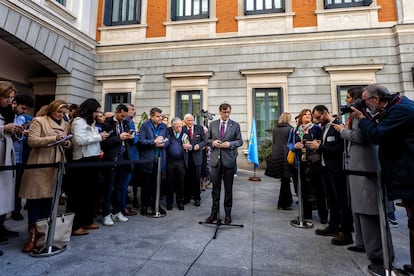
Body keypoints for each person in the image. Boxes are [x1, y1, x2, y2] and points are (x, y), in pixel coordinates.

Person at [352, 84, 414, 275]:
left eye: (365, 101)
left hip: (410, 174)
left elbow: (377, 135)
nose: (366, 106)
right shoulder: (398, 106)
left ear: (375, 99)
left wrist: (362, 119)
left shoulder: (401, 110)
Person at [332, 87, 387, 273]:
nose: (346, 101)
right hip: (354, 169)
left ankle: (379, 254)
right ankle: (362, 242)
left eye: (348, 97)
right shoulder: (354, 116)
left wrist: (341, 131)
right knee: (357, 208)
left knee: (368, 211)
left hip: (366, 170)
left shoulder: (365, 116)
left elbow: (363, 137)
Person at [19, 99, 71, 253]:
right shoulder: (39, 121)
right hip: (40, 163)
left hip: (57, 163)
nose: (61, 115)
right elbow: (32, 141)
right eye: (58, 111)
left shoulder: (65, 124)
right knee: (35, 200)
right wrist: (53, 138)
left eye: (63, 112)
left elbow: (69, 144)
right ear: (51, 110)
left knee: (50, 200)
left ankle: (46, 234)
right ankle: (32, 235)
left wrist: (66, 142)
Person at [307, 105, 353, 246]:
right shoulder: (324, 128)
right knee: (331, 199)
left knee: (341, 200)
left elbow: (339, 148)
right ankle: (333, 225)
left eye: (318, 117)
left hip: (337, 169)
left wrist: (319, 147)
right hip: (326, 168)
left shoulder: (337, 126)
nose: (317, 120)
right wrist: (318, 144)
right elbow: (327, 144)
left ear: (325, 113)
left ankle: (345, 231)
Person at [66, 99, 110, 235]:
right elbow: (80, 140)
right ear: (90, 110)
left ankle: (86, 220)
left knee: (90, 193)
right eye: (96, 111)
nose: (97, 114)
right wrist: (99, 137)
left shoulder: (89, 122)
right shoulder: (78, 121)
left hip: (93, 159)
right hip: (82, 161)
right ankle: (74, 225)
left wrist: (99, 148)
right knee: (79, 195)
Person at [205, 103, 243, 224]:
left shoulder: (235, 125)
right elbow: (206, 140)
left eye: (228, 112)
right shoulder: (213, 124)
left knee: (228, 189)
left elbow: (240, 141)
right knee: (215, 189)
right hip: (215, 161)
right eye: (224, 112)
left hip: (229, 161)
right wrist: (212, 143)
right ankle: (214, 213)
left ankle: (227, 214)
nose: (226, 114)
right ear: (220, 112)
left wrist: (230, 144)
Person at [100, 104, 134, 226]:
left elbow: (129, 141)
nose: (123, 118)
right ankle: (106, 214)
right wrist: (119, 137)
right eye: (121, 115)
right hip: (111, 158)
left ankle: (117, 211)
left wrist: (130, 137)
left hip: (123, 158)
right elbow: (105, 143)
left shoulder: (125, 123)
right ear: (117, 112)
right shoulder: (108, 123)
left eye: (125, 116)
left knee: (119, 187)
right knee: (109, 188)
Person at [293, 109, 327, 222]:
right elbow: (290, 143)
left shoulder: (316, 128)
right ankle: (306, 214)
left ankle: (323, 216)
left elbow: (321, 141)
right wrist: (295, 146)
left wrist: (315, 144)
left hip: (314, 161)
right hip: (301, 161)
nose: (307, 116)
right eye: (305, 114)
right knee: (303, 189)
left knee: (318, 189)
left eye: (309, 114)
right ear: (301, 116)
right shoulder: (297, 129)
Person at [0, 81, 21, 255]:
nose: (9, 101)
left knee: (5, 194)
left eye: (11, 98)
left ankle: (1, 227)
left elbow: (9, 133)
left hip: (7, 155)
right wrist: (3, 128)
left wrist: (16, 131)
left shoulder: (9, 112)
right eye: (6, 97)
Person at [137, 107, 169, 216]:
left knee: (157, 184)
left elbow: (168, 139)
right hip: (148, 159)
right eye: (157, 116)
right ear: (151, 117)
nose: (160, 118)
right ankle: (144, 206)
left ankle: (156, 205)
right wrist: (153, 142)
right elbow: (140, 141)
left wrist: (164, 143)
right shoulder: (145, 126)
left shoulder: (164, 127)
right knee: (146, 185)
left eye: (161, 116)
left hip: (160, 159)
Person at [11, 94, 34, 221]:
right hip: (8, 156)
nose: (24, 111)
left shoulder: (26, 118)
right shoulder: (8, 116)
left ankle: (16, 210)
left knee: (18, 185)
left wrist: (25, 135)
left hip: (20, 157)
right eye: (23, 108)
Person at [265, 112, 294, 210]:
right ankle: (284, 203)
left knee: (284, 180)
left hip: (276, 153)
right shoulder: (290, 129)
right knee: (286, 180)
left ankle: (283, 202)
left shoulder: (275, 129)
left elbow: (274, 142)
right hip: (286, 154)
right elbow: (291, 143)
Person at [165, 117, 190, 210]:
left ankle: (180, 202)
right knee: (169, 182)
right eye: (176, 127)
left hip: (181, 161)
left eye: (180, 126)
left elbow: (189, 144)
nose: (179, 128)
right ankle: (169, 203)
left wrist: (189, 146)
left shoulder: (185, 132)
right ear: (172, 126)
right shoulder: (168, 131)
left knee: (181, 182)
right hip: (170, 161)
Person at [183, 113, 207, 207]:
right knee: (186, 178)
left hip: (197, 157)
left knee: (197, 179)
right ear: (185, 121)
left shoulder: (199, 128)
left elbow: (204, 140)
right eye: (188, 120)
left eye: (191, 120)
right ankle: (187, 197)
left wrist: (199, 145)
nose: (190, 122)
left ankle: (197, 198)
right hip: (186, 157)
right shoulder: (183, 129)